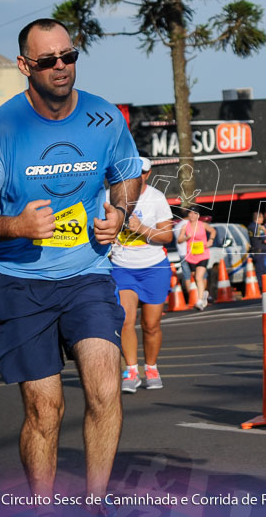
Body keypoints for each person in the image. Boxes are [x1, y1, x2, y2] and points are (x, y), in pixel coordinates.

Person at [0, 18, 141, 507]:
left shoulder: (104, 117)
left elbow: (128, 174)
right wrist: (16, 226)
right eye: (48, 60)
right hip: (19, 281)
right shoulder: (3, 129)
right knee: (46, 409)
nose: (61, 67)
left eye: (69, 56)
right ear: (26, 66)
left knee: (106, 387)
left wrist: (120, 211)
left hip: (86, 274)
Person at [111, 157, 174, 393]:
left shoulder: (156, 198)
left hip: (153, 267)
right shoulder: (111, 195)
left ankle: (151, 368)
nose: (138, 177)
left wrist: (140, 229)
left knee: (151, 325)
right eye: (133, 172)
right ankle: (131, 371)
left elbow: (167, 237)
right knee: (126, 321)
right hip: (122, 266)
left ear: (148, 174)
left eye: (143, 173)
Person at [177, 208, 215, 309]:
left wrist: (211, 240)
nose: (192, 216)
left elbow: (213, 231)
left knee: (198, 277)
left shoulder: (203, 224)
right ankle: (204, 294)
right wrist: (186, 238)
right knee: (195, 277)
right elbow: (179, 240)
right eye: (190, 214)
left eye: (194, 214)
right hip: (191, 256)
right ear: (188, 215)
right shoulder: (185, 226)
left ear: (198, 215)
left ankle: (200, 301)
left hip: (203, 254)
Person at [247, 210, 266, 279]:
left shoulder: (250, 226)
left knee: (257, 270)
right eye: (262, 217)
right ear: (258, 218)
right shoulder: (259, 227)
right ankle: (261, 287)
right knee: (261, 271)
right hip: (260, 252)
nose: (263, 219)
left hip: (254, 251)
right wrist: (265, 230)